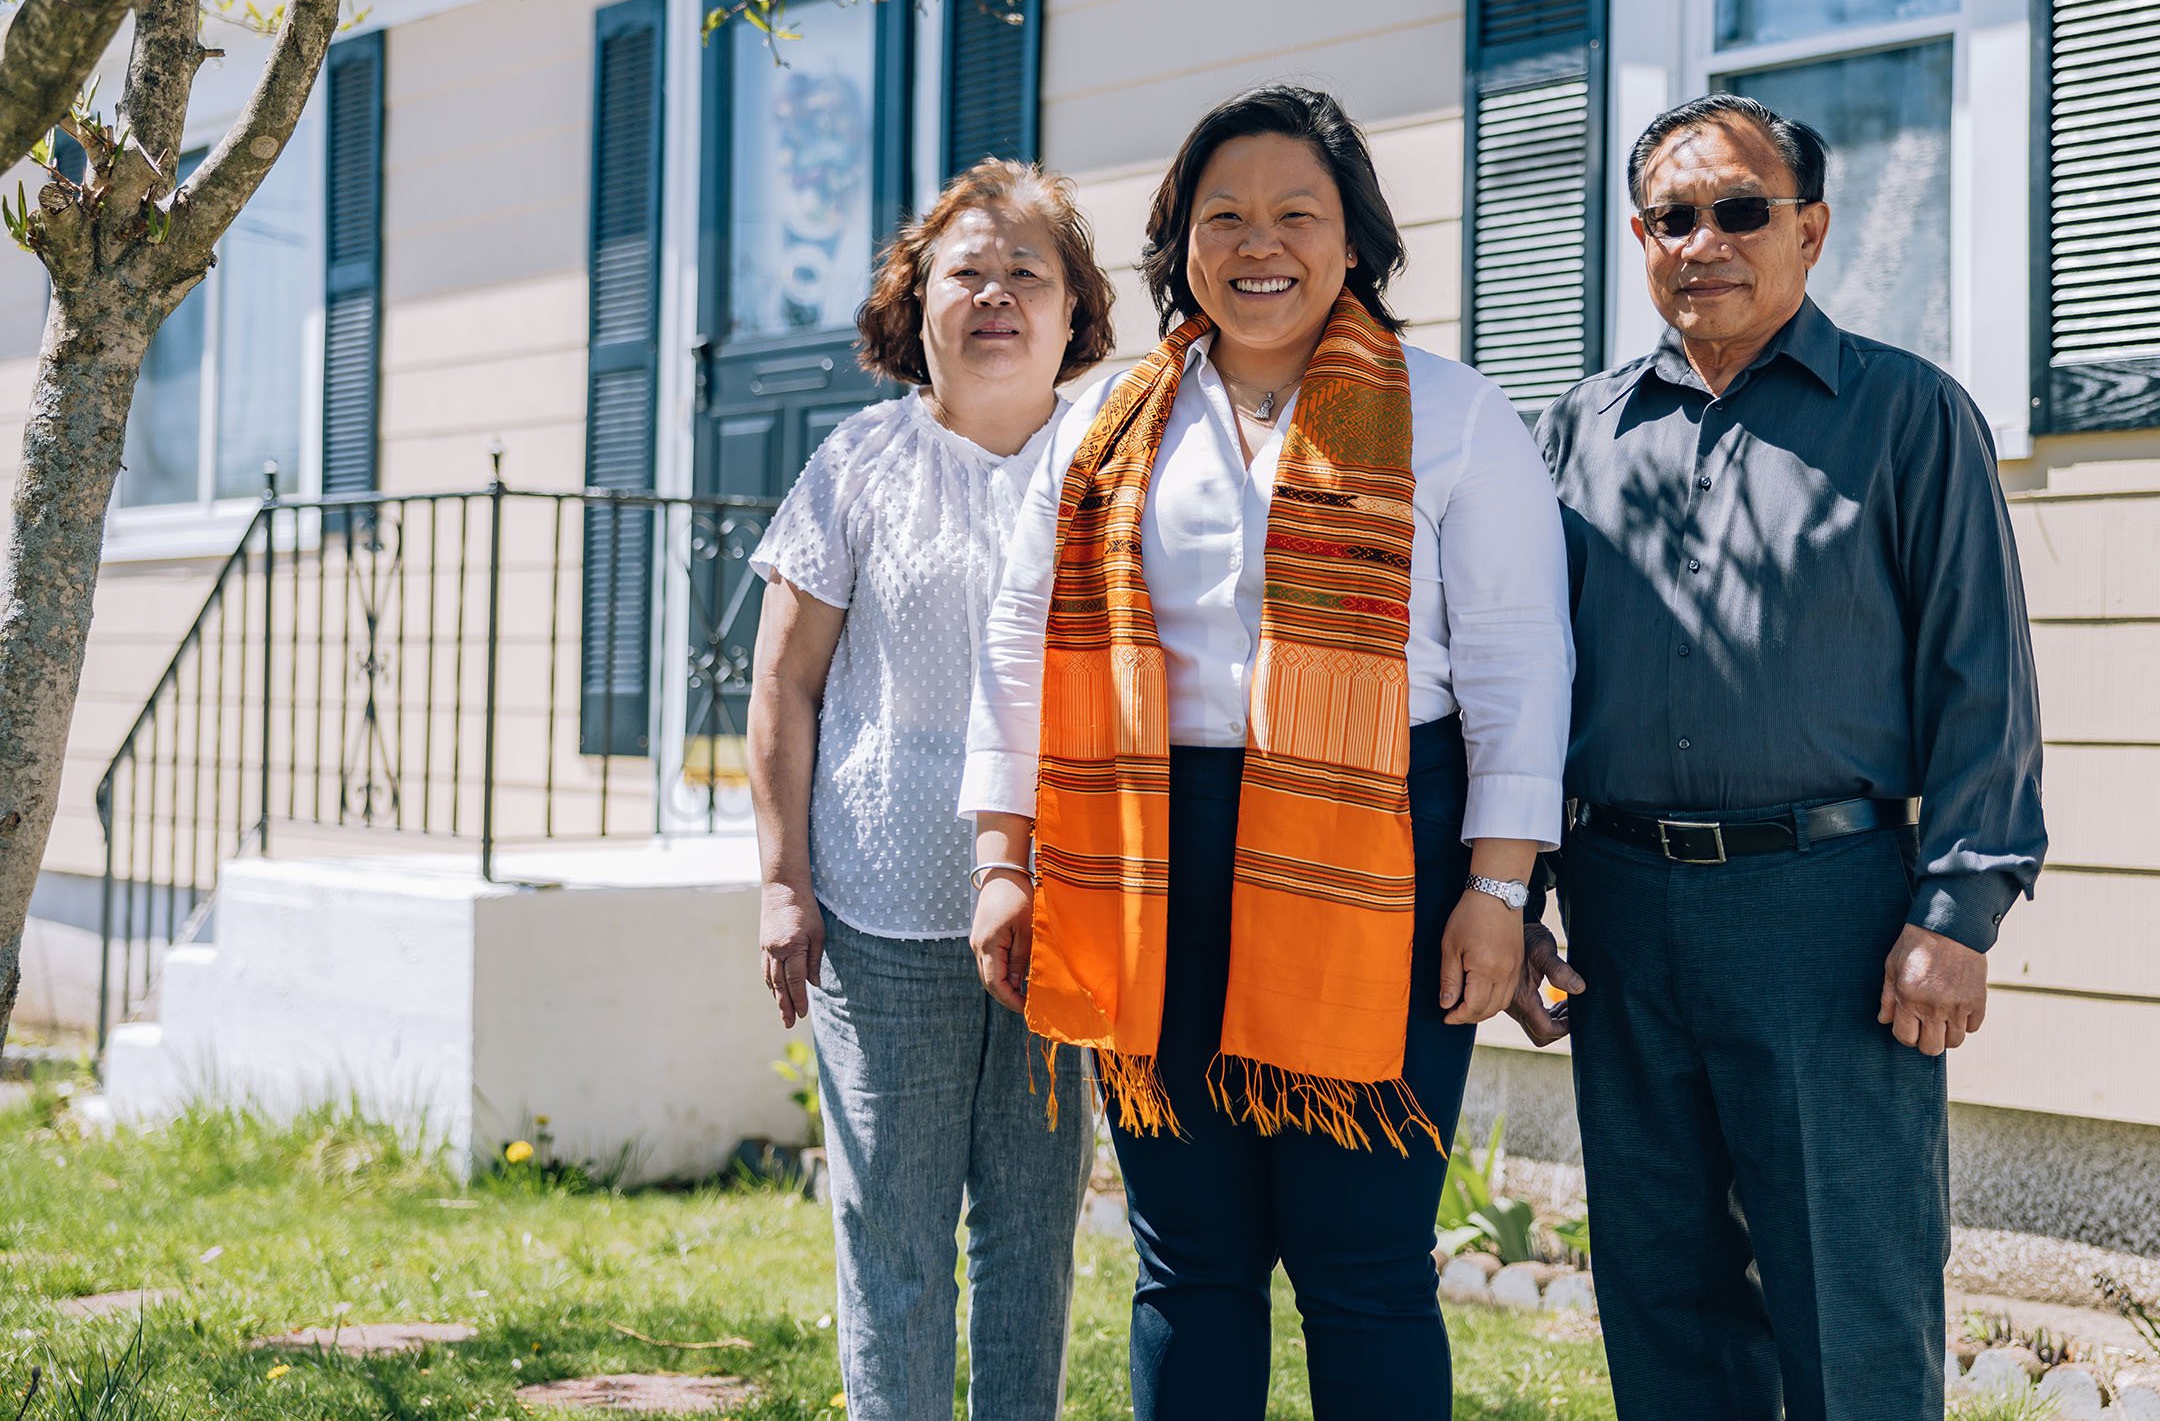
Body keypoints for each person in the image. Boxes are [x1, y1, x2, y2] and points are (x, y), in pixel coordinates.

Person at [961, 85, 1572, 1421]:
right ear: (1179, 240)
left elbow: (1525, 667)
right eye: (1222, 214)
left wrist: (1502, 885)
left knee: (1365, 1262)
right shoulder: (1099, 424)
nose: (1260, 242)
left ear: (1354, 239)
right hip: (1144, 857)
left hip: (1384, 856)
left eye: (1298, 212)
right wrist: (1004, 861)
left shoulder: (1457, 416)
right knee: (1190, 1263)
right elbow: (1018, 649)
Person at [1513, 92, 2047, 1421]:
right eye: (1671, 217)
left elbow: (1981, 676)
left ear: (1809, 229)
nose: (1705, 239)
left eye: (1740, 209)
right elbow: (1518, 687)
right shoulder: (1576, 435)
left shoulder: (1909, 417)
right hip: (1620, 912)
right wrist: (1514, 899)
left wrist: (1958, 907)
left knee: (1850, 1301)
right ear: (1639, 239)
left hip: (1831, 917)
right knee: (1662, 1292)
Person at [746, 159, 1116, 1421]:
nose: (998, 295)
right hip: (879, 914)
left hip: (1067, 911)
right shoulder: (855, 466)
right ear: (917, 302)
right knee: (891, 1242)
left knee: (1031, 1241)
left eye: (1029, 273)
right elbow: (783, 687)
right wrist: (782, 886)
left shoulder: (1114, 466)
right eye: (969, 271)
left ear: (1077, 311)